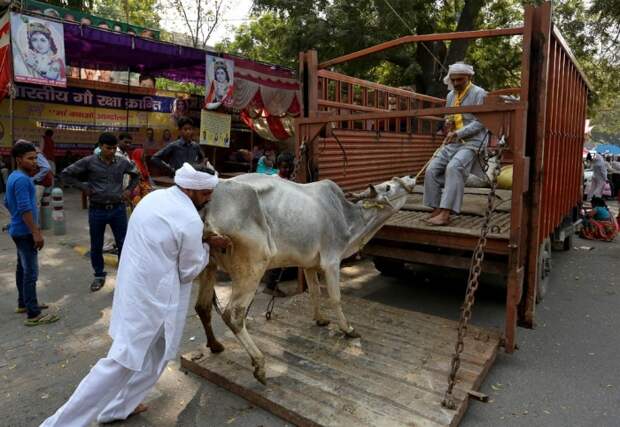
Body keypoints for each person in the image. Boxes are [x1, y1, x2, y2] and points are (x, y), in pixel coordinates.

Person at [41, 163, 230, 427]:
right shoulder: (189, 220)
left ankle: (118, 407)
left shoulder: (155, 197)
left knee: (158, 354)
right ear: (189, 187)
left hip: (136, 289)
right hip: (155, 300)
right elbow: (188, 271)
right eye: (206, 192)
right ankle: (59, 424)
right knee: (121, 362)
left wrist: (204, 241)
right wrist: (209, 248)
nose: (209, 197)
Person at [61, 133, 139, 292]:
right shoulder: (89, 161)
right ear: (100, 146)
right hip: (97, 210)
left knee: (124, 243)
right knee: (96, 245)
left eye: (114, 148)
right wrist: (84, 188)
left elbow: (136, 175)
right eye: (108, 148)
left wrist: (128, 191)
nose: (111, 151)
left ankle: (124, 277)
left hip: (118, 209)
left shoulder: (122, 162)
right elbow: (65, 174)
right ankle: (99, 275)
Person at [423, 62, 488, 226]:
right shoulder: (450, 95)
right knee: (431, 169)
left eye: (460, 80)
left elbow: (481, 122)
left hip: (473, 142)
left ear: (469, 77)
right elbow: (448, 116)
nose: (457, 83)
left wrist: (458, 133)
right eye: (454, 80)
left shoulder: (480, 94)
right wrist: (448, 122)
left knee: (454, 167)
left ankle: (446, 213)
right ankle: (436, 209)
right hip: (454, 142)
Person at [3, 142, 59, 326]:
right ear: (19, 160)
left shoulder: (14, 176)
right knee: (31, 274)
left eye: (35, 158)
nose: (35, 162)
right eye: (30, 158)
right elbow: (25, 207)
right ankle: (33, 314)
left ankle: (23, 304)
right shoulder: (21, 180)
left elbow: (6, 201)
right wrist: (36, 232)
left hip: (18, 229)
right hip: (25, 233)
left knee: (22, 269)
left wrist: (17, 220)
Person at [262, 152, 296, 297]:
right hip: (273, 223)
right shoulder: (272, 181)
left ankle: (271, 283)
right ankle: (270, 285)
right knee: (277, 253)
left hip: (284, 223)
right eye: (284, 168)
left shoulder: (290, 181)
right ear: (278, 167)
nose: (286, 170)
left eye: (289, 168)